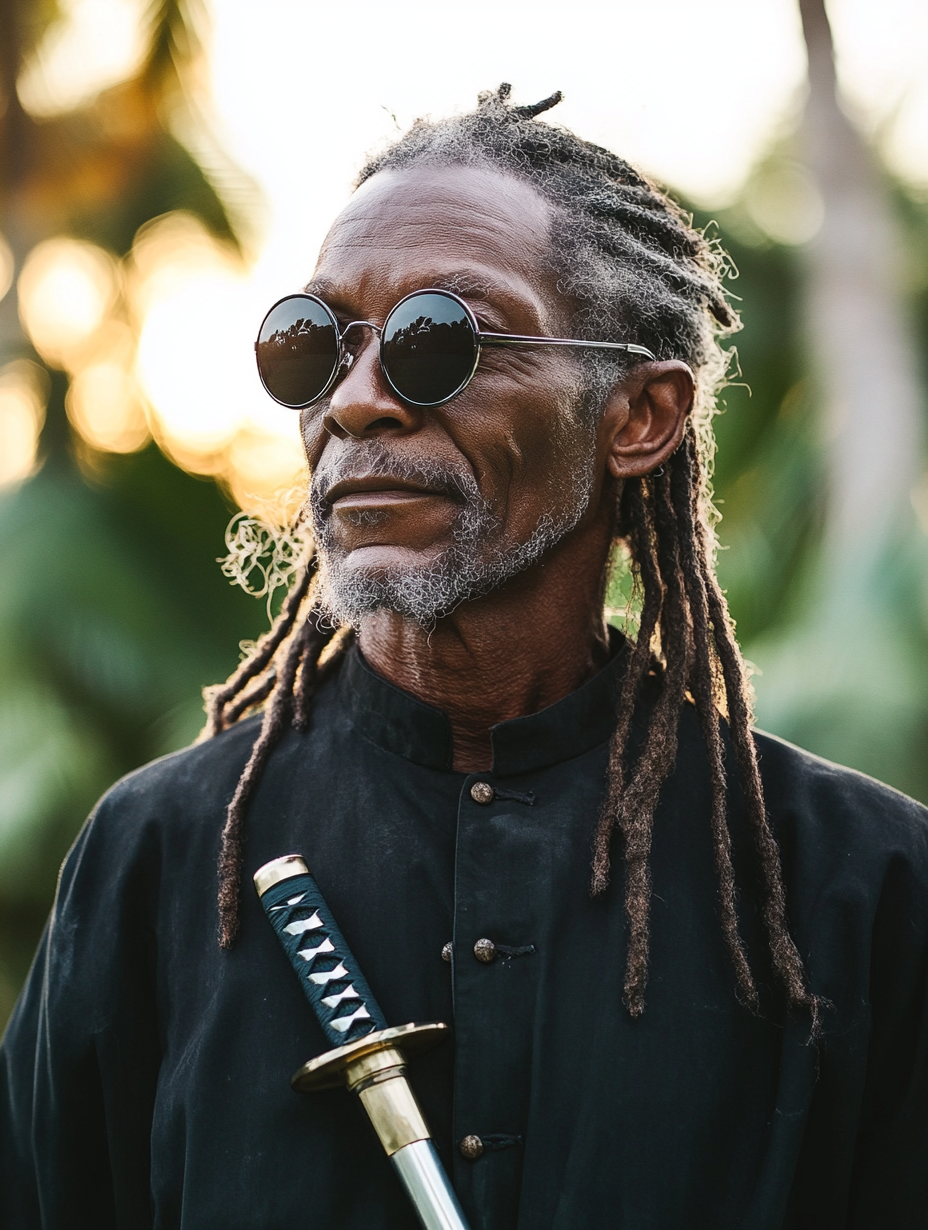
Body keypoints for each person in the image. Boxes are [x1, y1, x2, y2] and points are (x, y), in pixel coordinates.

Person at [2, 84, 927, 1230]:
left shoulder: (865, 884)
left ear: (638, 414)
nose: (353, 400)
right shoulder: (154, 858)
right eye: (312, 344)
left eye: (437, 339)